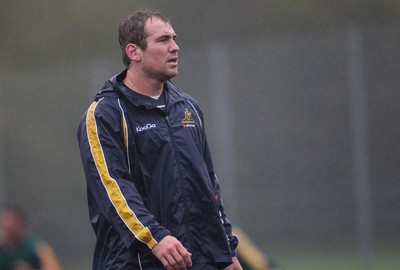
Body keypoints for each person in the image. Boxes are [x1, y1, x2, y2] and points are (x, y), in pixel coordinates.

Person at [77, 9, 242, 270]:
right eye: (163, 40)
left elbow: (209, 186)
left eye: (174, 39)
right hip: (137, 261)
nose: (175, 48)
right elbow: (113, 189)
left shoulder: (188, 108)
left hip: (198, 260)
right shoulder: (105, 114)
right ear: (134, 52)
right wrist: (155, 237)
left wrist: (226, 249)